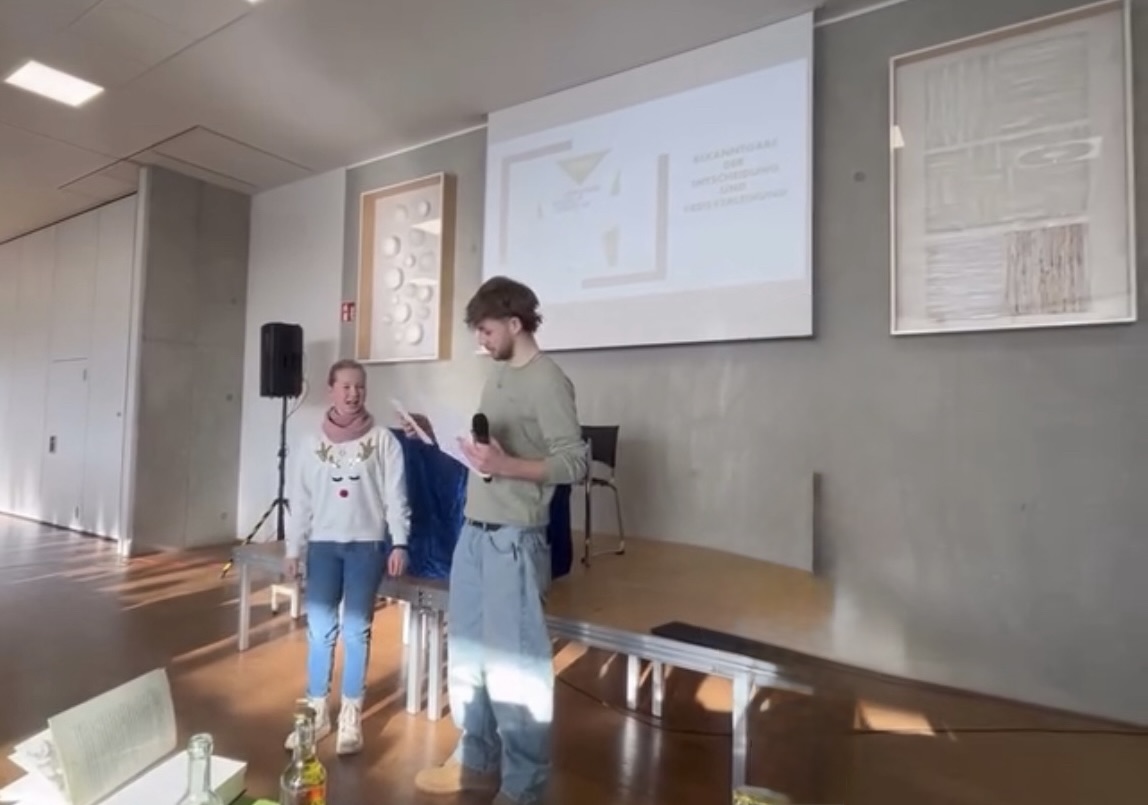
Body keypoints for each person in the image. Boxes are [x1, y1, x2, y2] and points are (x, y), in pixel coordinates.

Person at [408, 277, 587, 805]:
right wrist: (449, 442)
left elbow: (574, 463)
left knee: (516, 668)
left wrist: (506, 465)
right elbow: (493, 452)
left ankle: (524, 786)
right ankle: (476, 757)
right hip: (475, 532)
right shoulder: (498, 373)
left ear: (515, 322)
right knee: (467, 653)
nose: (481, 341)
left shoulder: (549, 381)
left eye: (486, 331)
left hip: (515, 539)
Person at [283, 358, 410, 756]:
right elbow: (300, 500)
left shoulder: (383, 441)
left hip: (365, 547)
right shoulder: (310, 444)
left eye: (360, 387)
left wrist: (400, 542)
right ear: (331, 390)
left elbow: (396, 497)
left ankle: (351, 715)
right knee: (320, 629)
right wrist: (293, 549)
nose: (353, 394)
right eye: (346, 387)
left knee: (356, 630)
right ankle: (317, 711)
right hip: (323, 547)